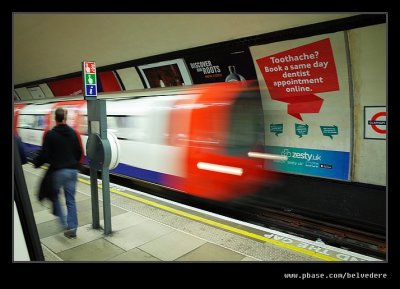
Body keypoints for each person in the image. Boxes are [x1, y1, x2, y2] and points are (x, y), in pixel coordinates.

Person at [33, 107, 83, 239]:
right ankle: (72, 229)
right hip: (72, 171)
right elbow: (79, 152)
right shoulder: (73, 133)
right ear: (65, 118)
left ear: (55, 119)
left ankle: (63, 222)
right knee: (70, 200)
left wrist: (37, 163)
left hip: (58, 171)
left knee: (54, 196)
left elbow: (44, 155)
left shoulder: (50, 134)